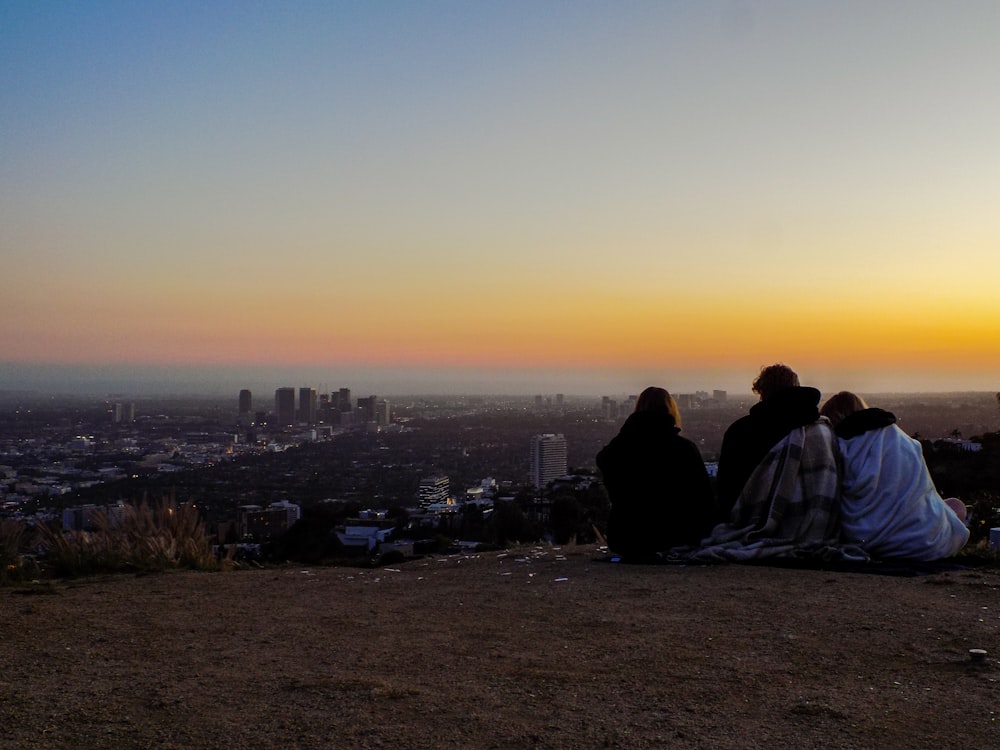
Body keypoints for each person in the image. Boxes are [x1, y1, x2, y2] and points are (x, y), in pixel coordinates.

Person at [820, 391, 969, 561]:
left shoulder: (839, 446)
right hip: (928, 542)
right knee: (956, 506)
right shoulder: (902, 440)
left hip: (872, 541)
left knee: (954, 506)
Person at [596, 387, 716, 561]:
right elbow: (705, 503)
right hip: (676, 537)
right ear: (670, 410)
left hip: (626, 539)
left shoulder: (618, 451)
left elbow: (604, 460)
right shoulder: (684, 449)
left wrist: (628, 431)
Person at [715, 364, 824, 520]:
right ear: (796, 388)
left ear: (762, 392)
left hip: (752, 519)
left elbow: (727, 489)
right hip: (808, 518)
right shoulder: (819, 430)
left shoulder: (740, 431)